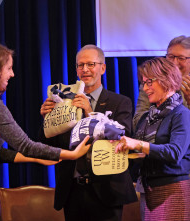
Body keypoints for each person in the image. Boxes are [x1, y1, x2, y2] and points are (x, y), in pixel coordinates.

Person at [39, 44, 137, 221]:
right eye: (80, 65)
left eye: (91, 64)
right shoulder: (64, 102)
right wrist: (48, 119)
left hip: (107, 191)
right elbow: (46, 145)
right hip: (72, 191)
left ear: (103, 68)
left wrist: (89, 112)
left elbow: (123, 138)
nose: (85, 70)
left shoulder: (120, 102)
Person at [0, 41, 91, 164]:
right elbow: (25, 146)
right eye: (8, 68)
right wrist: (72, 154)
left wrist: (37, 158)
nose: (12, 74)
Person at [133, 36, 190, 221]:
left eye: (180, 58)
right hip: (154, 176)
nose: (174, 62)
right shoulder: (149, 88)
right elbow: (137, 125)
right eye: (170, 57)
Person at [116, 57, 190, 220]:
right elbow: (142, 152)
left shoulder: (182, 114)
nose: (145, 88)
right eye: (143, 83)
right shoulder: (146, 117)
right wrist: (121, 146)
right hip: (148, 191)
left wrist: (137, 144)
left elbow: (174, 153)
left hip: (173, 192)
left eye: (149, 82)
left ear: (167, 79)